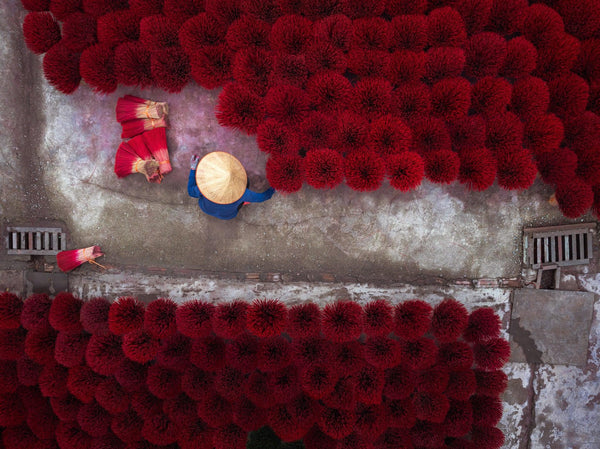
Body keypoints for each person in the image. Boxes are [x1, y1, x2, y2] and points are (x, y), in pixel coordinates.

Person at [187, 152, 275, 220]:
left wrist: (193, 168)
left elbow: (191, 192)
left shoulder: (204, 187)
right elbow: (263, 197)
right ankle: (243, 202)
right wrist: (274, 187)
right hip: (228, 215)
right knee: (246, 181)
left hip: (205, 208)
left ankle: (242, 202)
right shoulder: (244, 194)